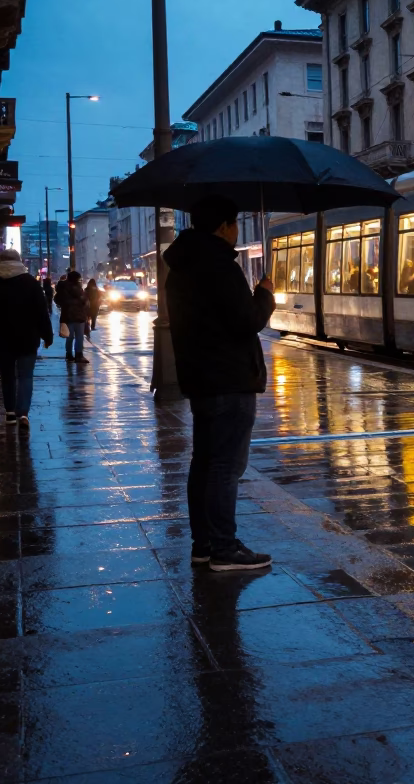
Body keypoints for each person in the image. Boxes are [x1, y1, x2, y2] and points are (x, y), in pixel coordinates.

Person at [165, 194, 275, 572]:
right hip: (229, 378)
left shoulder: (182, 265)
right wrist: (264, 295)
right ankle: (224, 548)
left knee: (205, 463)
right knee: (226, 466)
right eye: (235, 223)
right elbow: (245, 320)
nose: (237, 230)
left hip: (201, 378)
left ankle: (204, 544)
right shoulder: (219, 266)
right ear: (226, 226)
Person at [0, 249, 52, 430]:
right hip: (27, 337)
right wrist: (47, 335)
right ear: (19, 261)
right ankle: (23, 412)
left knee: (7, 375)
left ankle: (10, 412)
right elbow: (41, 312)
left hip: (1, 338)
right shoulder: (29, 282)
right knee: (26, 376)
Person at [54, 271, 90, 363]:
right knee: (79, 337)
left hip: (67, 315)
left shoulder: (62, 288)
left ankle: (69, 354)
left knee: (69, 337)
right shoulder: (78, 288)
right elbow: (84, 300)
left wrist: (64, 305)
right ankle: (79, 355)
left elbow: (57, 299)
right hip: (79, 315)